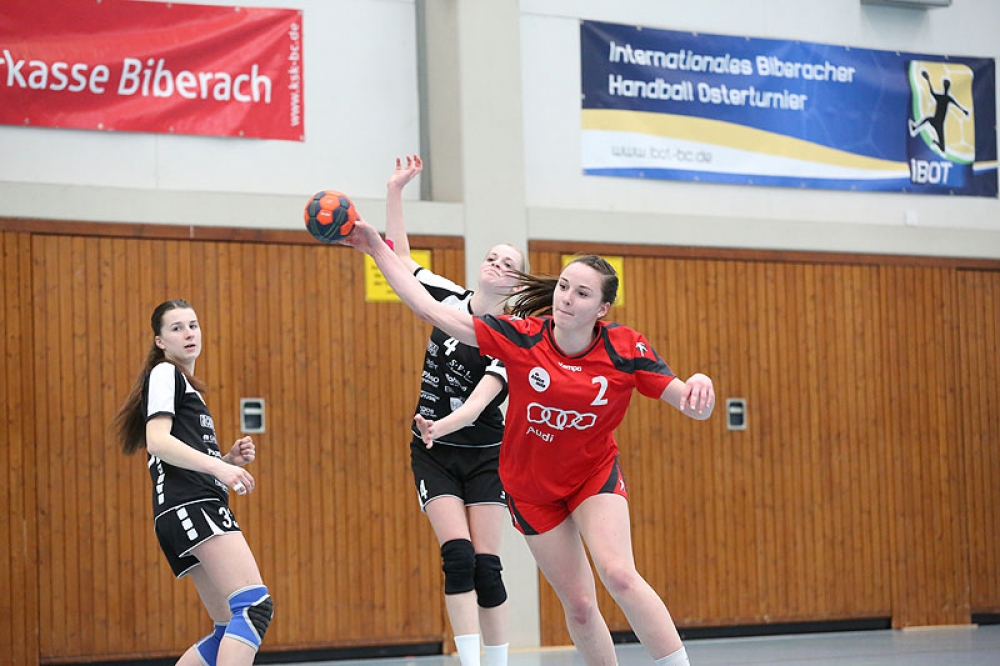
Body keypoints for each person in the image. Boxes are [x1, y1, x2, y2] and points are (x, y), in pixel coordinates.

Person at [341, 221, 714, 666]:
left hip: (591, 476)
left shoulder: (624, 348)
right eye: (564, 287)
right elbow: (430, 310)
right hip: (531, 490)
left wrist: (700, 386)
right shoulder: (522, 336)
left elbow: (691, 405)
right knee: (579, 604)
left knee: (618, 573)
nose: (567, 298)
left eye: (582, 293)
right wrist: (374, 248)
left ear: (602, 308)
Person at [386, 155, 520, 666]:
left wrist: (437, 424)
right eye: (492, 257)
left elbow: (479, 403)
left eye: (508, 264)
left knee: (487, 567)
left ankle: (499, 662)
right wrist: (395, 190)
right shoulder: (448, 297)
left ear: (516, 285)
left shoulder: (512, 340)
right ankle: (469, 662)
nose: (496, 264)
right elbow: (399, 258)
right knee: (457, 556)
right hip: (435, 454)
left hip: (484, 454)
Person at [113, 299, 273, 666]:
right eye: (177, 328)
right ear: (160, 342)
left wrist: (225, 460)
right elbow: (158, 441)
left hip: (184, 509)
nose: (189, 333)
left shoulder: (184, 386)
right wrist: (220, 470)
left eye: (193, 325)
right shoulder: (164, 373)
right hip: (192, 506)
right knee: (254, 607)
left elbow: (177, 453)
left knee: (226, 627)